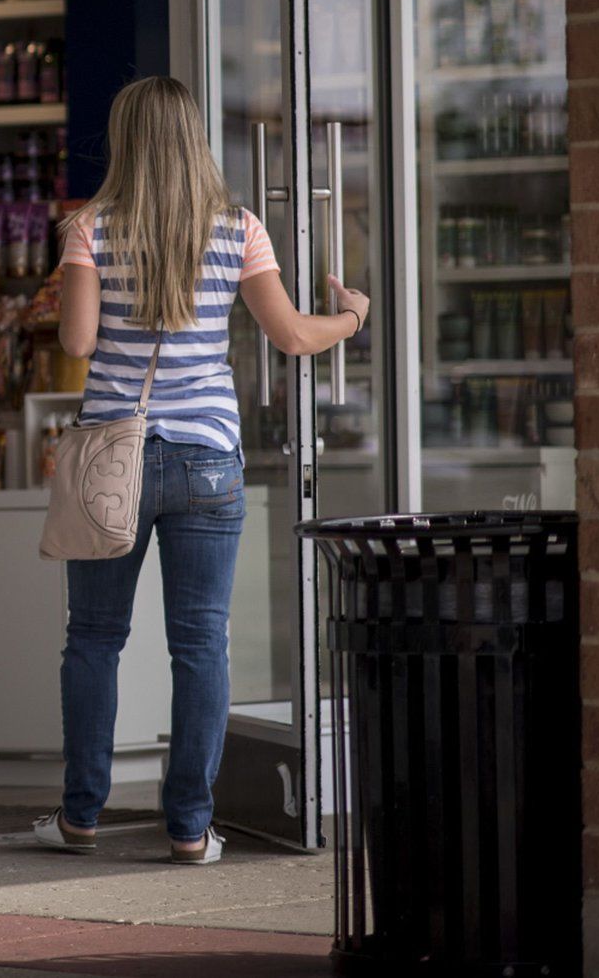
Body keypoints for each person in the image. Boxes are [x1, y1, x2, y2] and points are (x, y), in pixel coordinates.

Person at [31, 76, 367, 865]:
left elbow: (77, 345)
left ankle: (81, 815)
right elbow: (288, 335)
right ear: (194, 140)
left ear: (124, 139)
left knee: (94, 639)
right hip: (209, 459)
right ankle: (189, 828)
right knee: (201, 644)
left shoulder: (91, 228)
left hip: (115, 459)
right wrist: (352, 314)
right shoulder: (239, 229)